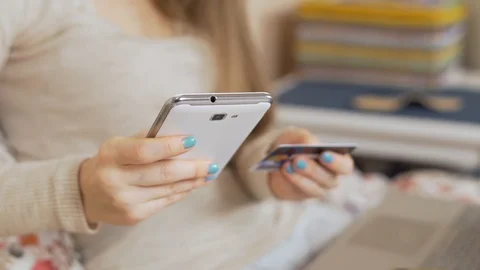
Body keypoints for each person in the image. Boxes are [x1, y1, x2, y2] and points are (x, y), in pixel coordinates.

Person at [0, 0, 354, 269]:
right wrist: (79, 190)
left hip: (299, 232)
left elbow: (222, 156)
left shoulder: (201, 9)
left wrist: (272, 166)